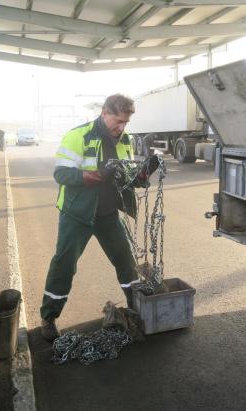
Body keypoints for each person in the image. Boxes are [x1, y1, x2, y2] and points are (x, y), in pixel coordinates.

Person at [40, 94, 157, 342]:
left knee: (126, 262)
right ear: (104, 113)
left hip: (107, 214)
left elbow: (126, 178)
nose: (122, 127)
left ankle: (136, 309)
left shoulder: (124, 140)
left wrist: (142, 176)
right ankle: (48, 317)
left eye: (126, 122)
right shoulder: (78, 136)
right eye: (118, 121)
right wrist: (95, 175)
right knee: (64, 264)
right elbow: (61, 174)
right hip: (77, 215)